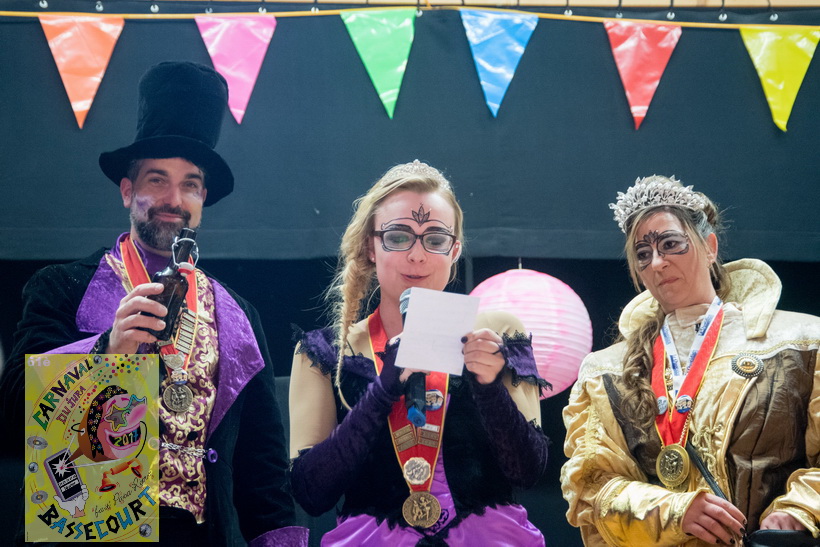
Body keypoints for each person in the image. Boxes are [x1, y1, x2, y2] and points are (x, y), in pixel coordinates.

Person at [0, 61, 306, 546]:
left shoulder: (237, 315)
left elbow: (263, 472)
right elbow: (12, 416)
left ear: (202, 198)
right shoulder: (62, 287)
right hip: (89, 532)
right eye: (157, 180)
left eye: (190, 184)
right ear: (128, 191)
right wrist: (106, 353)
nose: (174, 198)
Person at [288, 160, 550, 545]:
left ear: (454, 249)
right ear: (371, 247)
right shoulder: (328, 351)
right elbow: (311, 493)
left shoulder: (498, 333)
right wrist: (381, 392)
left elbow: (528, 472)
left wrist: (489, 387)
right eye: (398, 237)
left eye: (435, 239)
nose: (417, 255)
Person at [560, 175, 820, 546]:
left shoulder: (800, 341)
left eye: (670, 244)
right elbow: (591, 488)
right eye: (643, 254)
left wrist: (799, 509)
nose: (657, 263)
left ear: (710, 246)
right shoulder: (605, 370)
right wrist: (674, 512)